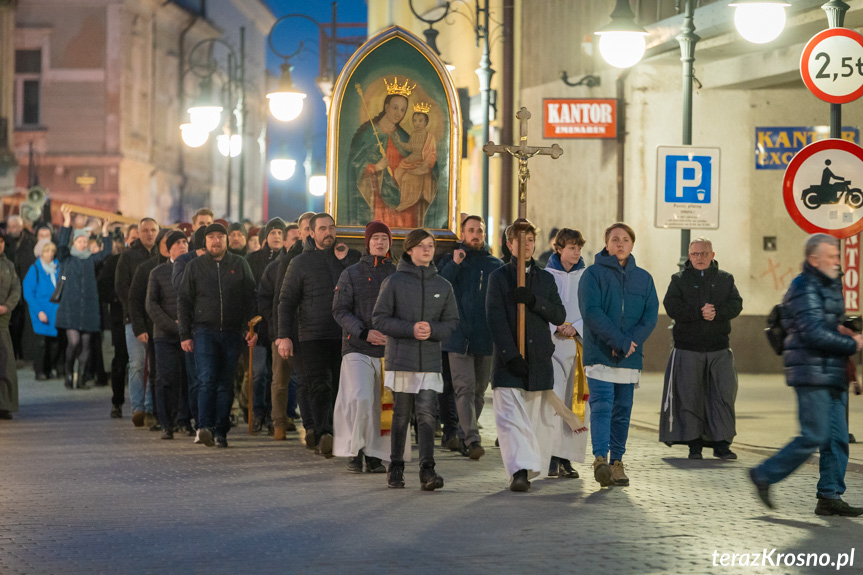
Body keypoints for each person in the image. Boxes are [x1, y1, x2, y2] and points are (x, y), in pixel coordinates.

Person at [749, 234, 863, 517]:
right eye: (832, 256)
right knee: (814, 434)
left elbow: (827, 323)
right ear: (815, 259)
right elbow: (812, 332)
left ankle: (829, 496)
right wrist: (853, 344)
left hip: (832, 370)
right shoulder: (803, 287)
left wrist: (844, 329)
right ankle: (764, 474)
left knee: (836, 438)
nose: (838, 260)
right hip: (811, 372)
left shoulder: (829, 284)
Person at [372, 228, 458, 490]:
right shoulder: (395, 282)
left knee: (428, 416)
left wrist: (433, 330)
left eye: (430, 245)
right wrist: (410, 329)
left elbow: (452, 321)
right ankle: (395, 468)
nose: (427, 249)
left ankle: (428, 471)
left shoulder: (442, 285)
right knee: (401, 415)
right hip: (402, 358)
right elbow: (380, 319)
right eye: (421, 245)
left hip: (429, 361)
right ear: (409, 250)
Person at [486, 220, 566, 492]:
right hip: (510, 362)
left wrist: (534, 301)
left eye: (531, 240)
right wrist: (510, 355)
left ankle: (530, 468)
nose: (527, 245)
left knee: (533, 421)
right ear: (510, 245)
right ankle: (518, 471)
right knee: (510, 420)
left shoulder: (545, 278)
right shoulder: (499, 277)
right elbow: (495, 318)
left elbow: (558, 314)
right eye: (521, 241)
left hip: (538, 360)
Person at [579, 223, 658, 488]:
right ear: (606, 243)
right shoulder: (593, 275)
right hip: (600, 353)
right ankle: (600, 459)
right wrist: (619, 341)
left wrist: (629, 344)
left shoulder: (644, 279)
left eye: (625, 239)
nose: (620, 244)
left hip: (629, 356)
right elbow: (592, 312)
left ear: (632, 245)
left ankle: (617, 463)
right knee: (601, 406)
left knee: (623, 411)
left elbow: (649, 316)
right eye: (615, 239)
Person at [277, 213, 360, 457]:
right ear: (311, 233)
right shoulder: (300, 262)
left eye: (332, 228)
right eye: (322, 228)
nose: (328, 233)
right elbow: (286, 301)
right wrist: (284, 335)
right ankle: (323, 432)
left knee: (339, 386)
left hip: (343, 334)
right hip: (312, 335)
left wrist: (346, 257)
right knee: (318, 384)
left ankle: (334, 432)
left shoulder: (345, 257)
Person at [660, 237, 743, 460]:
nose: (699, 258)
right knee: (690, 398)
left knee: (723, 396)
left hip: (719, 347)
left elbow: (736, 304)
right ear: (689, 256)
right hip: (688, 348)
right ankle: (694, 445)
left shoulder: (725, 279)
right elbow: (671, 306)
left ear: (712, 255)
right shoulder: (678, 279)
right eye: (695, 254)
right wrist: (699, 312)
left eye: (704, 253)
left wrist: (717, 312)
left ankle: (721, 444)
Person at [178, 223, 257, 448]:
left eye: (220, 237)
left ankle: (221, 431)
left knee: (226, 383)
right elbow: (184, 301)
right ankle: (204, 426)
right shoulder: (194, 267)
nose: (216, 241)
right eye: (211, 237)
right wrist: (185, 334)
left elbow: (250, 299)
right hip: (204, 331)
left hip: (233, 332)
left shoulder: (239, 264)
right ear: (204, 241)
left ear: (226, 240)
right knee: (206, 379)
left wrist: (252, 330)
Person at [332, 221, 396, 474]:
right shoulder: (351, 273)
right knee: (360, 398)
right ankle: (355, 448)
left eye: (384, 238)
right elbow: (339, 310)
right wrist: (364, 332)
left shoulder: (399, 273)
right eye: (375, 238)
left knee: (384, 405)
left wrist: (392, 335)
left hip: (389, 350)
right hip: (357, 346)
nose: (380, 242)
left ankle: (375, 455)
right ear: (367, 243)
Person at [437, 215, 503, 460]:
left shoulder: (495, 264)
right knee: (463, 388)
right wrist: (455, 263)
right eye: (471, 230)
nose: (476, 235)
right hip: (457, 336)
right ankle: (473, 439)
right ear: (462, 234)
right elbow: (440, 286)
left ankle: (467, 437)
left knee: (478, 390)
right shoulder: (450, 260)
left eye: (480, 231)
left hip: (485, 336)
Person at [259, 218, 309, 441]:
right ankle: (278, 422)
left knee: (305, 380)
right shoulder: (278, 266)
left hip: (309, 331)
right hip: (282, 330)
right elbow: (270, 300)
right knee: (279, 380)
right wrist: (276, 329)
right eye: (301, 232)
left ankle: (309, 424)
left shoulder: (317, 260)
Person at [545, 227, 589, 478]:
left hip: (578, 345)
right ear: (559, 248)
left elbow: (591, 307)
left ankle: (567, 458)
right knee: (554, 403)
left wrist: (576, 327)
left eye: (579, 248)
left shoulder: (587, 276)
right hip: (554, 345)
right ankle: (550, 455)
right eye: (571, 247)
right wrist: (556, 326)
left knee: (577, 401)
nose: (576, 252)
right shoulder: (546, 275)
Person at [56, 207, 113, 390]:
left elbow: (106, 253)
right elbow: (62, 245)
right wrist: (67, 223)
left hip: (88, 307)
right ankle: (67, 375)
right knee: (73, 342)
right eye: (79, 240)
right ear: (74, 242)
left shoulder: (91, 260)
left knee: (86, 344)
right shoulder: (67, 258)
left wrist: (105, 231)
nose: (82, 243)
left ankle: (80, 379)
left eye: (84, 241)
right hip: (71, 307)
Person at [115, 217, 159, 426]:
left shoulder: (162, 255)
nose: (149, 234)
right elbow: (122, 288)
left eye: (153, 230)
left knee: (153, 365)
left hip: (157, 320)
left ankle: (150, 408)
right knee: (137, 364)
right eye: (145, 230)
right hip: (133, 318)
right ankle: (137, 408)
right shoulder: (128, 257)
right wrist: (135, 313)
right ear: (138, 233)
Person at [146, 231, 190, 440]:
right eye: (178, 243)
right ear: (169, 248)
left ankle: (184, 420)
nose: (182, 245)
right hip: (164, 335)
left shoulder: (194, 269)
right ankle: (166, 423)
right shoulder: (158, 272)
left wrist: (186, 327)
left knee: (188, 378)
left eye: (184, 242)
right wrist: (172, 326)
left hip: (188, 335)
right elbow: (151, 304)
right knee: (166, 379)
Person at [245, 218, 287, 433]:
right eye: (273, 232)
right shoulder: (253, 259)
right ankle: (257, 411)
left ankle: (274, 415)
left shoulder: (289, 260)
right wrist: (251, 321)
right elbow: (249, 292)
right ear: (266, 236)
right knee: (258, 373)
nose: (277, 236)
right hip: (258, 325)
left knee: (277, 374)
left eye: (280, 233)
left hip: (278, 325)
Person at [128, 229, 170, 430]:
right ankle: (144, 409)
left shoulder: (185, 266)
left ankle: (159, 411)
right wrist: (138, 327)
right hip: (149, 326)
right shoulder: (147, 269)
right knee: (144, 367)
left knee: (162, 371)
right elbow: (135, 300)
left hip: (172, 329)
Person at [22, 239, 60, 381]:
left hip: (55, 310)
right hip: (41, 310)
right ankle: (40, 370)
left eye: (51, 251)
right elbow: (28, 292)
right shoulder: (35, 268)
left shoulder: (57, 267)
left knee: (54, 344)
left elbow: (63, 280)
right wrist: (38, 311)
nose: (49, 254)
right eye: (46, 251)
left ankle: (49, 369)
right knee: (41, 343)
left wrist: (64, 278)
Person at [392, 104, 438, 220]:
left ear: (426, 122)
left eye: (420, 121)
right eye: (415, 121)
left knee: (408, 178)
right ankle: (401, 195)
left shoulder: (429, 136)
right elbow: (410, 148)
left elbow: (432, 153)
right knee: (398, 172)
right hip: (411, 159)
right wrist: (399, 142)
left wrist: (426, 163)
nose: (417, 123)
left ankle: (405, 202)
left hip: (421, 162)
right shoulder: (414, 134)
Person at [0, 228, 21, 419]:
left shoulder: (8, 265)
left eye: (1, 241)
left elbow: (16, 289)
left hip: (3, 322)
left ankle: (5, 405)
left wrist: (7, 306)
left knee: (6, 365)